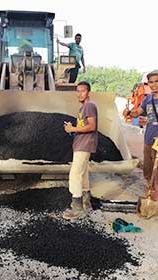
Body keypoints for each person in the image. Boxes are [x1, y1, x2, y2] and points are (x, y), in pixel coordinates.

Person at [122, 70, 158, 213]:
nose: (153, 85)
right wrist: (129, 113)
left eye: (156, 81)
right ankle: (150, 190)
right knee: (148, 167)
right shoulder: (148, 99)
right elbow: (138, 112)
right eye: (151, 82)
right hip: (148, 137)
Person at [63, 81, 98, 220]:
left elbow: (92, 126)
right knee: (83, 174)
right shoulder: (84, 108)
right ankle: (86, 202)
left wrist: (72, 129)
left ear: (88, 92)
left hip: (84, 145)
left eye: (82, 91)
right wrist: (72, 129)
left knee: (75, 175)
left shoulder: (89, 106)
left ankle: (77, 209)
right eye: (78, 91)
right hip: (81, 143)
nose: (79, 93)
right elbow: (83, 127)